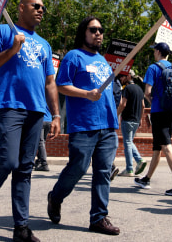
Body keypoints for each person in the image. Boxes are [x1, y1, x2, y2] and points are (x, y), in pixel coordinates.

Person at [0, 0, 61, 242]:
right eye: (36, 6)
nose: (41, 10)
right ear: (21, 8)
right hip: (10, 106)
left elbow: (50, 82)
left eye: (43, 7)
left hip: (36, 111)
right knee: (7, 162)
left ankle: (21, 228)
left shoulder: (44, 44)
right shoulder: (3, 31)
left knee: (25, 169)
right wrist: (13, 48)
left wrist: (55, 114)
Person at [47, 16, 120, 236]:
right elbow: (61, 86)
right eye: (93, 29)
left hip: (107, 125)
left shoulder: (103, 61)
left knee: (103, 172)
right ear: (84, 32)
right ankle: (56, 197)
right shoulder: (73, 57)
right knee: (78, 168)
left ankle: (99, 218)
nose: (98, 33)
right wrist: (87, 94)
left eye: (101, 30)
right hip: (84, 125)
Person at [134, 42, 172, 196]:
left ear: (158, 52)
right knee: (157, 147)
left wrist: (154, 103)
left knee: (166, 146)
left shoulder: (153, 68)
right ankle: (146, 179)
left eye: (154, 51)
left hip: (159, 112)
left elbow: (147, 92)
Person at [117, 69, 147, 177]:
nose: (121, 78)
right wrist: (141, 118)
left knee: (128, 143)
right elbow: (143, 105)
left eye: (123, 76)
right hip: (136, 121)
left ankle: (129, 169)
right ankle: (139, 161)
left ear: (129, 76)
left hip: (127, 120)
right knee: (130, 142)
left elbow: (123, 104)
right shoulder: (139, 89)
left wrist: (116, 115)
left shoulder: (127, 88)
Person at [33, 107, 52, 171]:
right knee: (42, 142)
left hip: (41, 120)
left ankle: (44, 164)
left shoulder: (40, 98)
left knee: (40, 142)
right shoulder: (49, 98)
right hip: (49, 121)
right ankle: (38, 161)